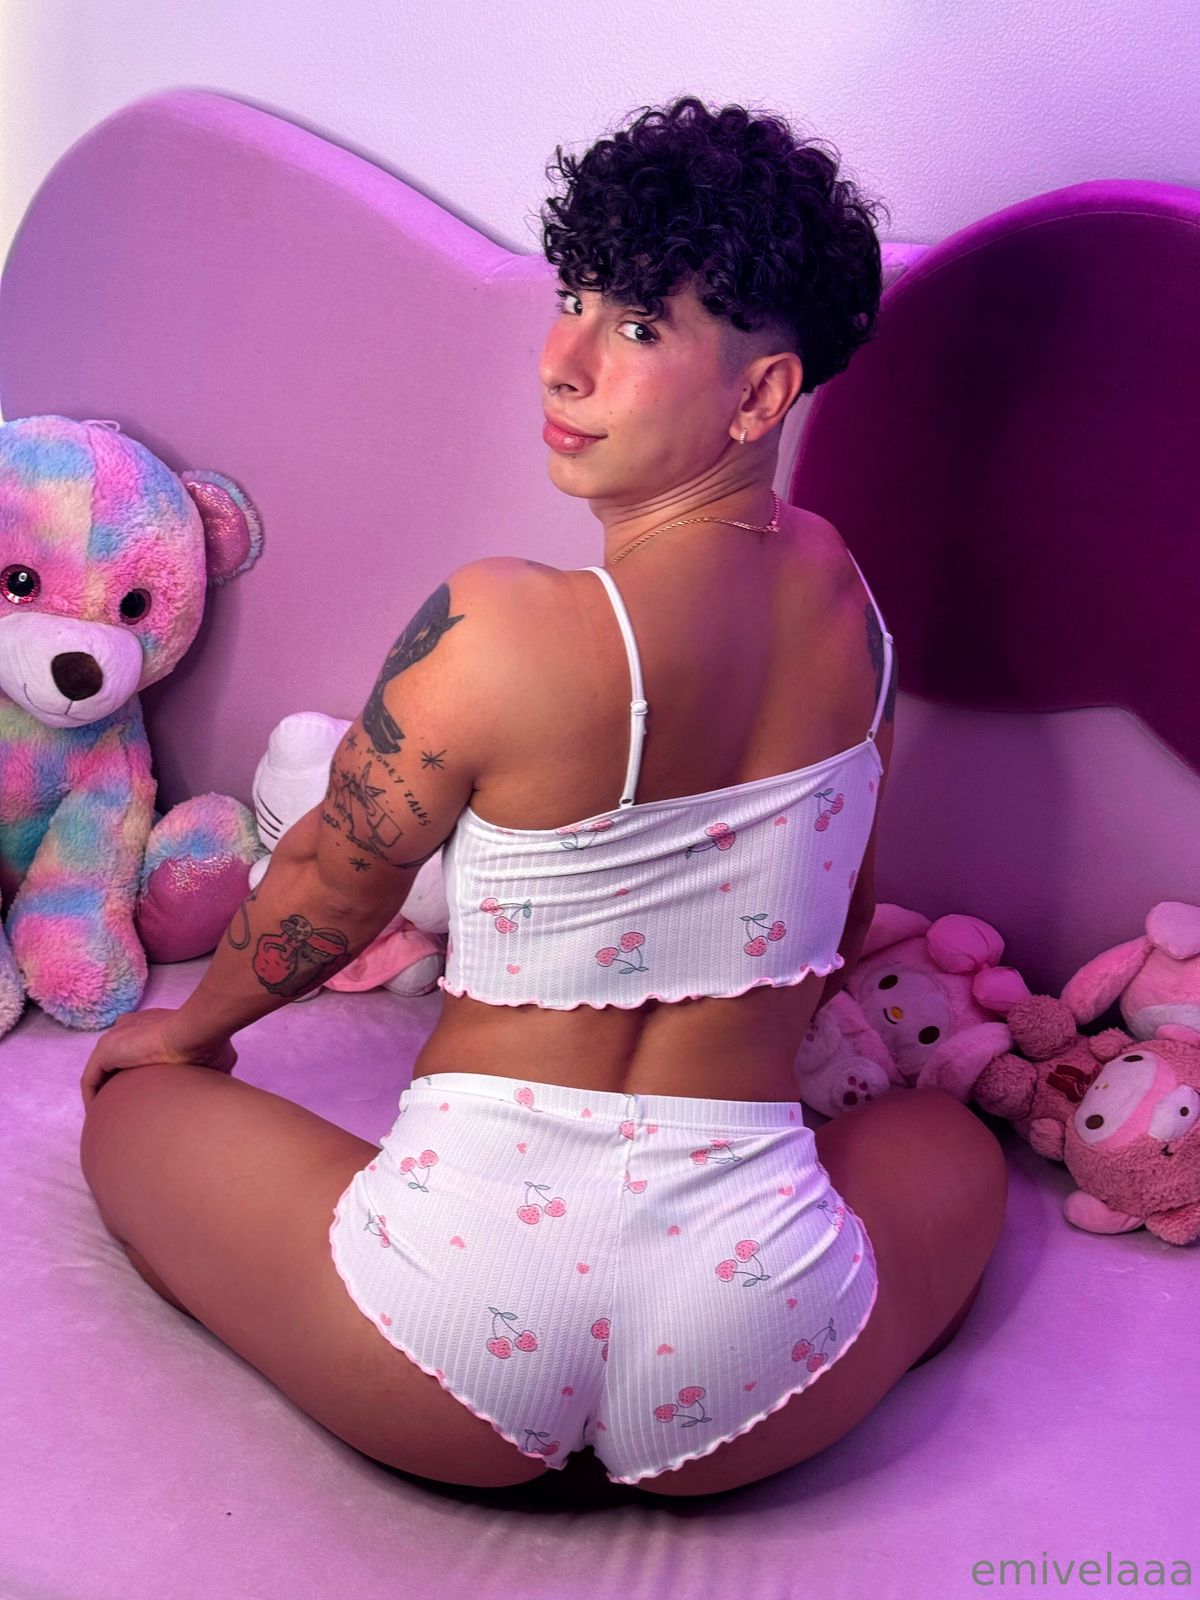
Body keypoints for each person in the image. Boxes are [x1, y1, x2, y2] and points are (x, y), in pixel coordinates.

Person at [79, 95, 1007, 1499]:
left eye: (634, 327)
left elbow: (329, 882)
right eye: (572, 300)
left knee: (132, 1111)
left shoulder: (500, 625)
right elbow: (843, 908)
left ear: (760, 396)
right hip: (758, 1341)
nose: (561, 363)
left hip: (448, 1320)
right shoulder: (854, 617)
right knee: (949, 1140)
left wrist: (185, 1032)